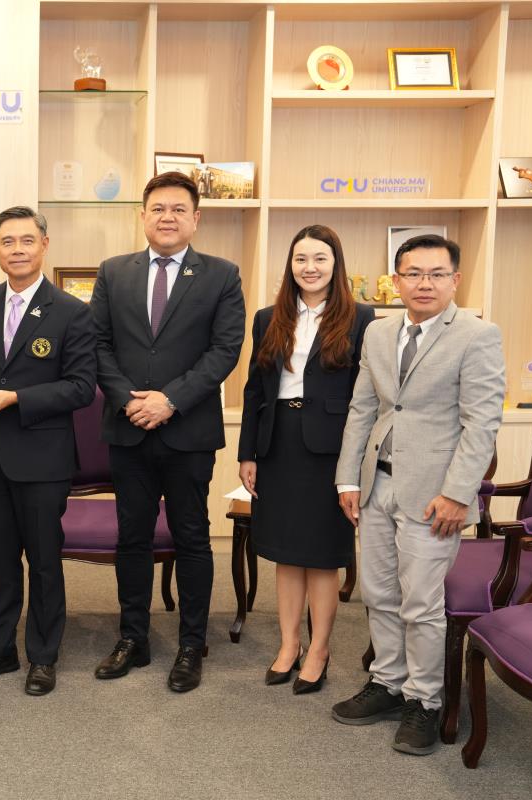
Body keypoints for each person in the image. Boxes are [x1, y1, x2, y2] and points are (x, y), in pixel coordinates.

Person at [332, 234, 505, 756]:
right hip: (377, 484)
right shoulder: (379, 332)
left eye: (436, 274)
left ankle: (425, 700)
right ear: (396, 280)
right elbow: (363, 408)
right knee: (379, 593)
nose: (424, 283)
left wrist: (457, 494)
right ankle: (388, 682)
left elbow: (481, 423)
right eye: (413, 273)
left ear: (455, 279)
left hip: (435, 495)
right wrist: (348, 479)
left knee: (422, 603)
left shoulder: (478, 335)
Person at [89, 170, 245, 692]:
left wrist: (170, 400)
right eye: (158, 208)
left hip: (188, 431)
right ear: (142, 216)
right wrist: (129, 400)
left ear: (195, 219)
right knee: (131, 537)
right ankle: (132, 638)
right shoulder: (114, 272)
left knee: (192, 537)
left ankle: (191, 644)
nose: (168, 217)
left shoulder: (221, 275)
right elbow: (97, 344)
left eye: (179, 209)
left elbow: (224, 350)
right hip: (129, 427)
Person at [0, 206, 96, 696]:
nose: (17, 250)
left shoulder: (72, 311)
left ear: (44, 245)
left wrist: (18, 397)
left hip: (42, 458)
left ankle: (43, 655)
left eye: (26, 240)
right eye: (7, 242)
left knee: (43, 561)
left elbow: (81, 387)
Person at [238, 225, 375, 694]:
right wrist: (248, 452)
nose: (309, 267)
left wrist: (356, 462)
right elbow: (255, 389)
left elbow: (366, 395)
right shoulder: (267, 318)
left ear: (336, 264)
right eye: (301, 259)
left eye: (320, 258)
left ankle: (319, 649)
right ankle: (289, 644)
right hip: (278, 443)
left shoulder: (362, 318)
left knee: (321, 554)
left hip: (332, 449)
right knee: (285, 552)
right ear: (290, 264)